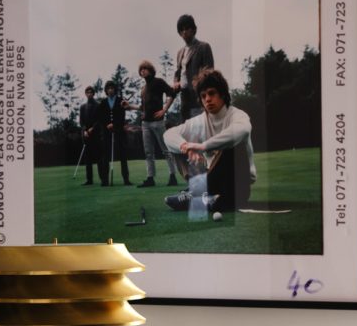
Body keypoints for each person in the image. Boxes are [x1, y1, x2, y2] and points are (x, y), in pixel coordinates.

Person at [164, 68, 256, 215]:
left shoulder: (238, 115)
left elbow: (243, 130)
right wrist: (186, 147)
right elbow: (168, 134)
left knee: (232, 144)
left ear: (223, 95)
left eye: (212, 93)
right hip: (211, 182)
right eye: (203, 96)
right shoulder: (199, 122)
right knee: (176, 145)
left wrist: (203, 146)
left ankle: (196, 196)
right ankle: (204, 196)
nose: (207, 99)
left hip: (238, 186)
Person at [136, 59, 178, 188]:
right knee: (148, 152)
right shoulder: (143, 89)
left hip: (158, 122)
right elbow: (142, 107)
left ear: (150, 70)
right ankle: (150, 178)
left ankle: (173, 177)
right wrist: (130, 107)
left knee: (166, 150)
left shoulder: (158, 82)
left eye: (145, 69)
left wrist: (164, 110)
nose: (143, 71)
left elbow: (172, 93)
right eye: (141, 70)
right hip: (145, 124)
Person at [172, 15, 214, 123]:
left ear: (194, 29)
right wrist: (176, 82)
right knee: (186, 130)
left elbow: (209, 73)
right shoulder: (180, 52)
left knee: (199, 128)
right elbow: (178, 72)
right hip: (184, 97)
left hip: (198, 95)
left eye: (187, 28)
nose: (184, 32)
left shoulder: (204, 47)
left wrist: (201, 90)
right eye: (181, 30)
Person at [101, 81, 131, 185]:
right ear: (106, 90)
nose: (110, 90)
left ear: (115, 89)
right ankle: (105, 180)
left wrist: (115, 124)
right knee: (105, 156)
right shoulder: (103, 102)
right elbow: (101, 117)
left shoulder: (120, 101)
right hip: (107, 132)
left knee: (123, 155)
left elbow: (122, 116)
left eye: (112, 88)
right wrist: (107, 124)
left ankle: (126, 180)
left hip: (119, 131)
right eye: (108, 88)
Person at [78, 85, 104, 186]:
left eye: (91, 92)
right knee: (87, 159)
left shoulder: (98, 105)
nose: (89, 94)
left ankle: (102, 178)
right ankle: (89, 180)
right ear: (85, 94)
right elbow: (81, 121)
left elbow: (99, 120)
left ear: (93, 94)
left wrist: (93, 128)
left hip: (96, 134)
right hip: (86, 135)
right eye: (87, 92)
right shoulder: (82, 107)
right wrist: (84, 130)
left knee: (99, 158)